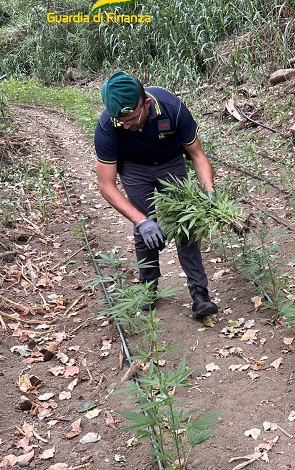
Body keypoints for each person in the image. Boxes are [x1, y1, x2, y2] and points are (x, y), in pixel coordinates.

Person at [93, 71, 219, 319]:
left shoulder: (172, 108)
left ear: (146, 104)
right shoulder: (108, 124)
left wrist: (209, 190)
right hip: (134, 168)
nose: (126, 125)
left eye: (131, 119)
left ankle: (199, 294)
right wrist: (141, 221)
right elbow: (106, 185)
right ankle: (149, 287)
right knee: (145, 230)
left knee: (186, 225)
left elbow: (197, 154)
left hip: (171, 163)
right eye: (121, 122)